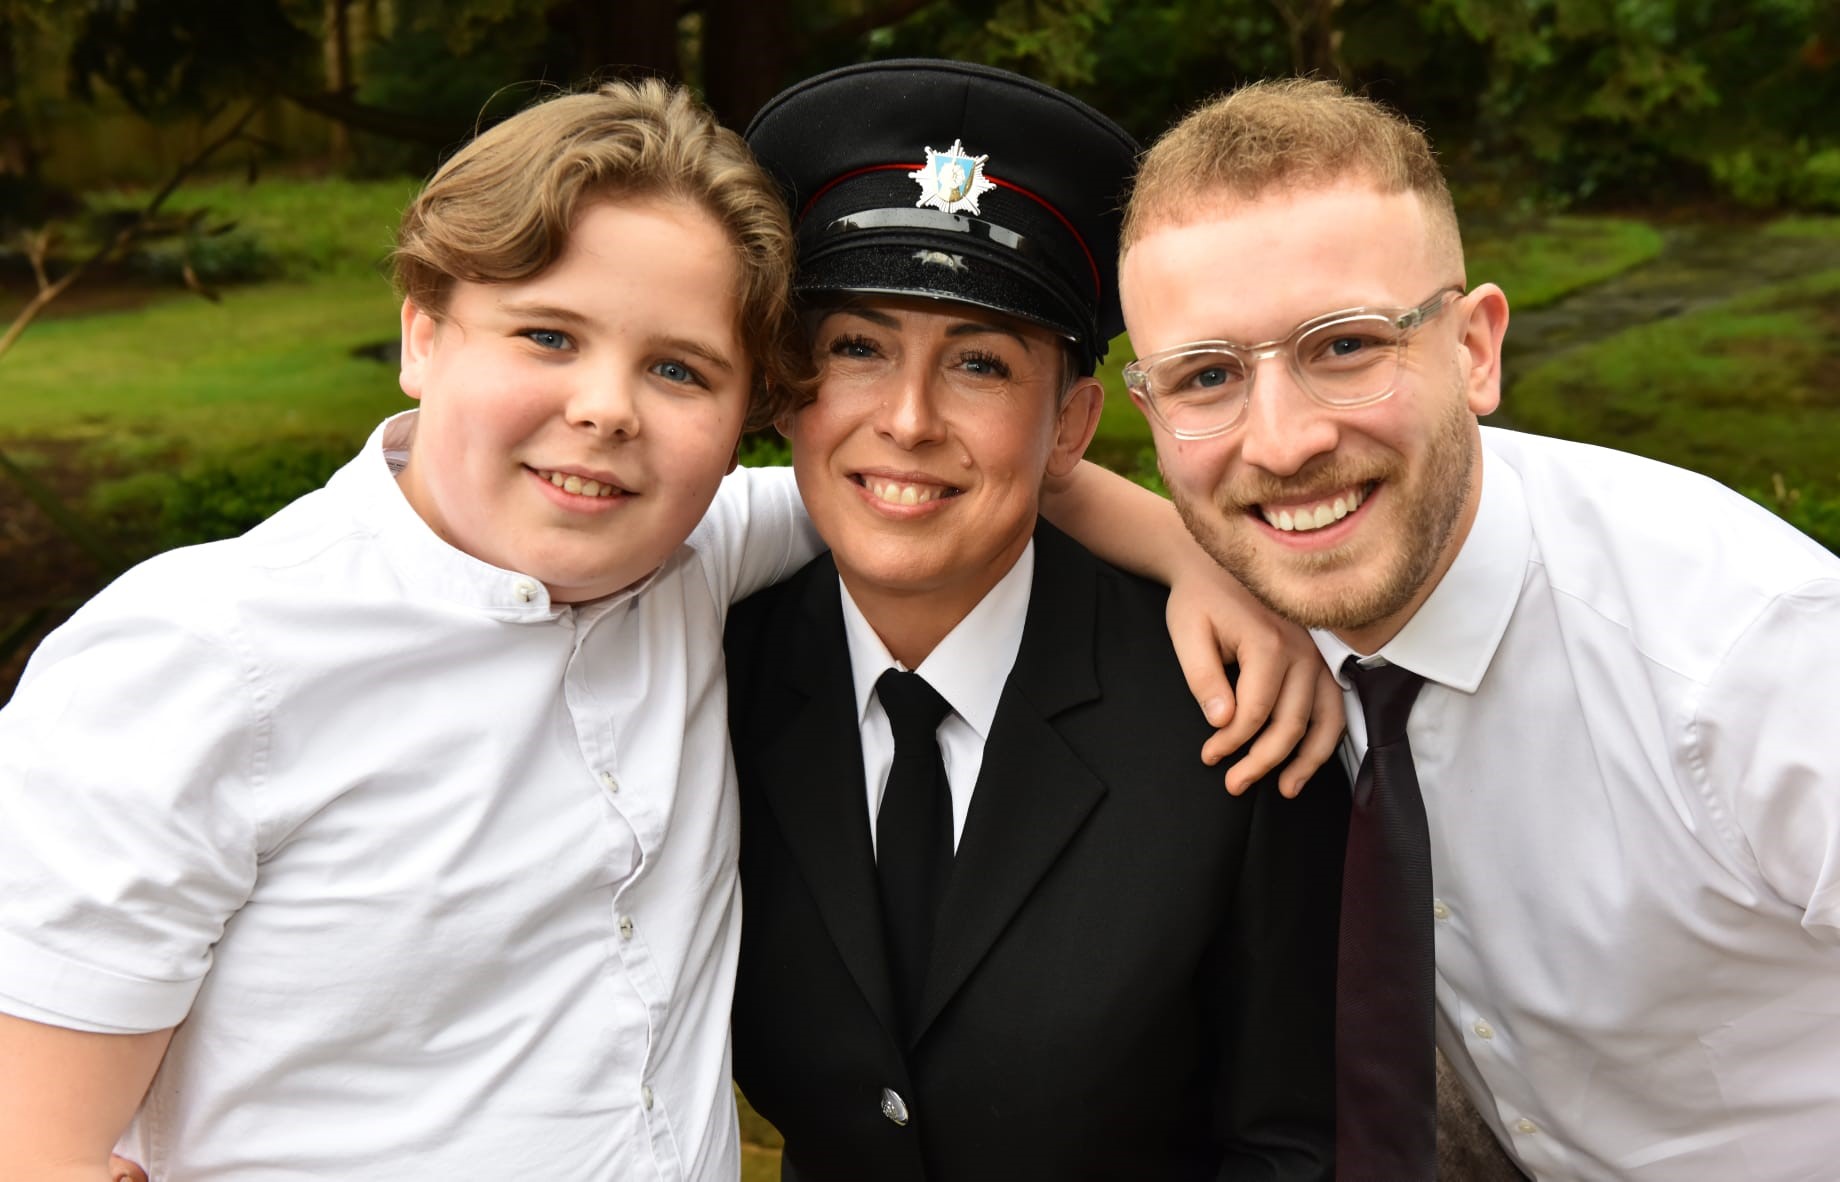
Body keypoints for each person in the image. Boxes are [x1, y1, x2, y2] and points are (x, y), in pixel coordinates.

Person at [0, 78, 1334, 1181]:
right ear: (420, 330)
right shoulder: (191, 663)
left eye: (678, 368)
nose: (606, 410)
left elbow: (917, 482)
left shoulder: (686, 553)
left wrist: (1202, 558)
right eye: (545, 335)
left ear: (746, 407)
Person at [1118, 77, 1840, 1180]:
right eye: (1207, 376)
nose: (1279, 442)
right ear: (1150, 416)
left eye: (1344, 347)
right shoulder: (1268, 586)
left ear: (1474, 350)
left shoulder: (1750, 657)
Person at [724, 60, 1349, 1181]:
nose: (906, 421)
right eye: (858, 348)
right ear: (784, 388)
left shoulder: (1224, 722)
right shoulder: (707, 671)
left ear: (1069, 427)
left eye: (978, 363)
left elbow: (1298, 1144)